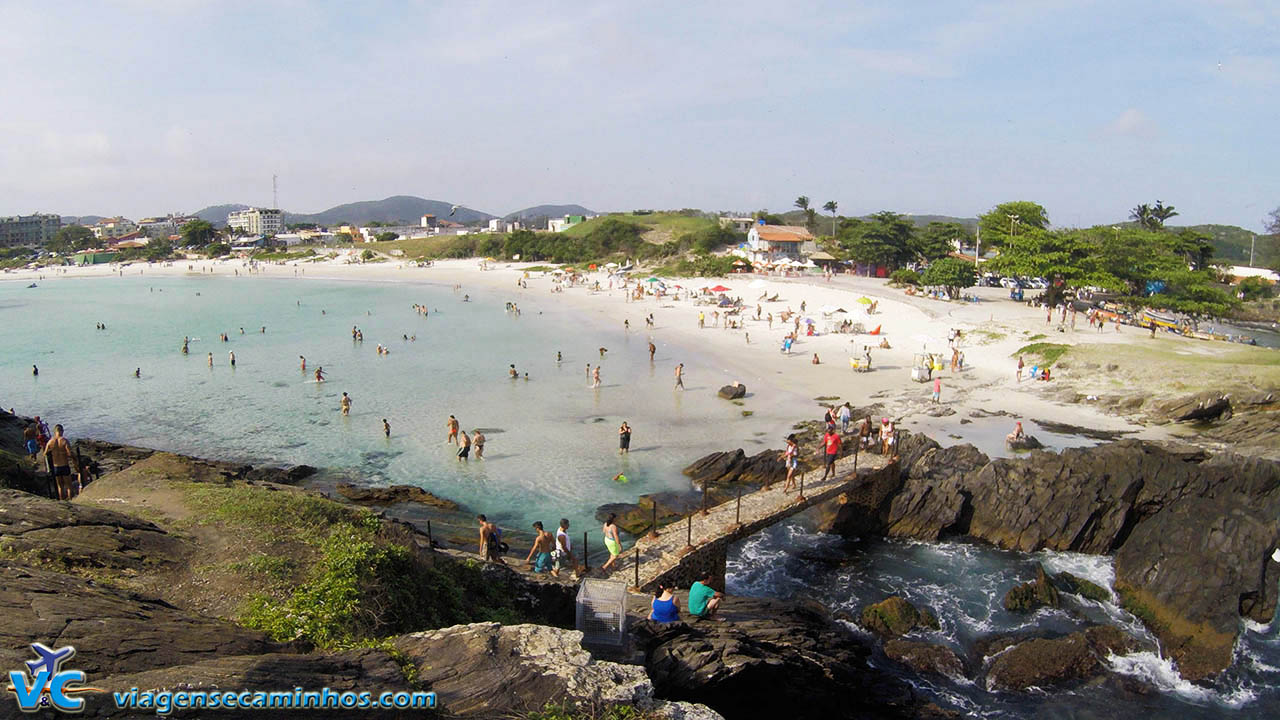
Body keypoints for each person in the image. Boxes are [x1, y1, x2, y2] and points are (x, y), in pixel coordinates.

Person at [44, 424, 77, 500]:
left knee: (60, 486)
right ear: (61, 431)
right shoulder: (64, 441)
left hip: (56, 466)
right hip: (64, 465)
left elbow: (45, 454)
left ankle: (62, 501)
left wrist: (53, 455)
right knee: (69, 486)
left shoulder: (50, 442)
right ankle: (71, 501)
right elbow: (69, 453)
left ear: (55, 431)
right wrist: (73, 459)